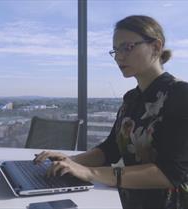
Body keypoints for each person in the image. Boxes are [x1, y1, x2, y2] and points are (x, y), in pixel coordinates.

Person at [34, 15, 188, 209]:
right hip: (126, 199)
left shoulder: (180, 95)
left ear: (156, 47)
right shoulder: (131, 98)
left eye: (127, 47)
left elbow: (171, 174)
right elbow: (110, 150)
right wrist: (68, 162)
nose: (119, 57)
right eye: (115, 50)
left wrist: (90, 173)